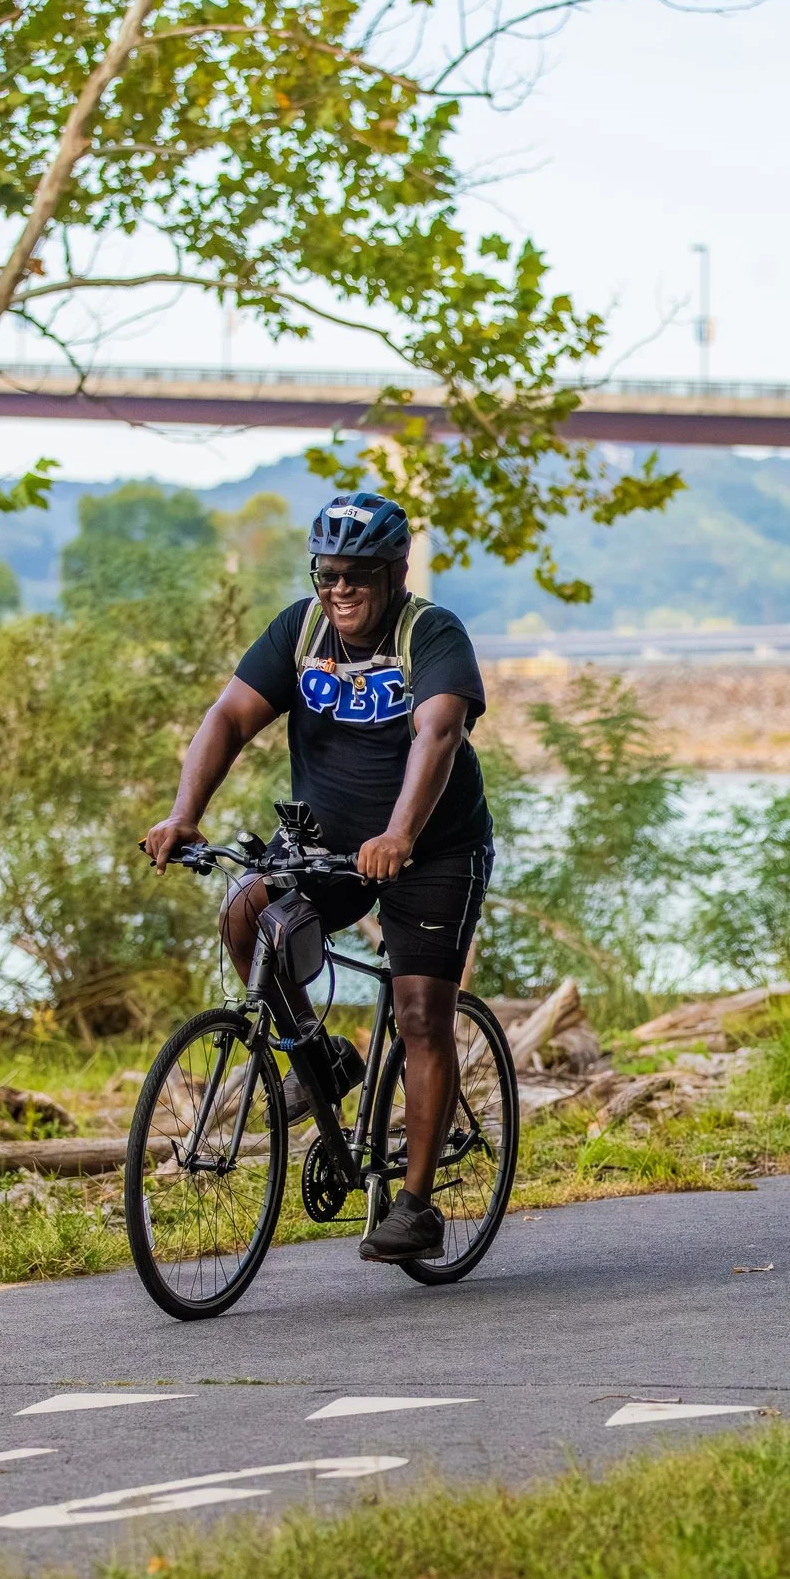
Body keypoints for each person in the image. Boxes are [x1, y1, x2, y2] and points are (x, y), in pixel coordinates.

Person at [143, 491, 491, 1264]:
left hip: (433, 850)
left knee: (420, 1015)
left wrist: (400, 833)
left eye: (356, 575)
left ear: (395, 573)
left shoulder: (431, 633)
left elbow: (438, 733)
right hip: (328, 843)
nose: (338, 589)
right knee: (245, 914)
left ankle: (414, 1206)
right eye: (327, 573)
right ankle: (322, 1060)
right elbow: (230, 717)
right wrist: (184, 814)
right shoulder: (301, 631)